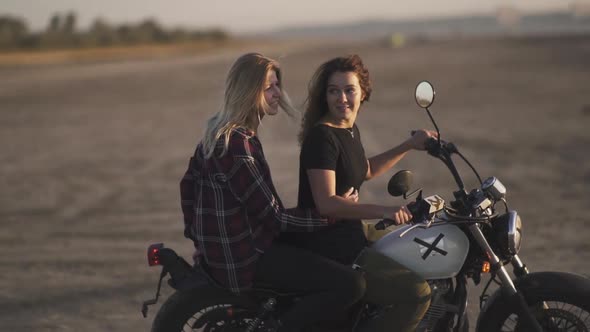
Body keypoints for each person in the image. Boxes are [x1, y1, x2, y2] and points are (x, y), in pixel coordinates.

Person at [179, 53, 365, 332]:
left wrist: (201, 243)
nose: (278, 93)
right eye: (269, 87)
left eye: (278, 85)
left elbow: (188, 190)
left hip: (237, 246)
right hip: (247, 256)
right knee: (350, 285)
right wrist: (333, 214)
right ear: (248, 91)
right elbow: (275, 218)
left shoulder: (217, 132)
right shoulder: (238, 147)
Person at [280, 54, 435, 332]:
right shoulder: (322, 138)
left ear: (363, 93)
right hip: (331, 244)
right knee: (417, 294)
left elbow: (364, 170)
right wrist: (384, 210)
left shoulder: (349, 129)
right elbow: (327, 204)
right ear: (325, 97)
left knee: (413, 240)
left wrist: (409, 144)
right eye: (333, 91)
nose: (342, 98)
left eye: (349, 89)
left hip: (350, 231)